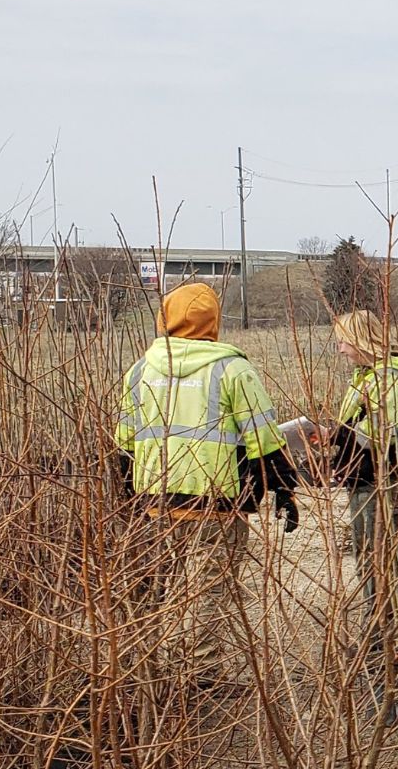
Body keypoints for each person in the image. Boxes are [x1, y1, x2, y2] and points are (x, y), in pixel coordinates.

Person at [114, 282, 298, 677]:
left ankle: (158, 677)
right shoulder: (232, 369)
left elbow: (123, 442)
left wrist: (128, 495)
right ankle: (199, 677)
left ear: (166, 318)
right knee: (206, 593)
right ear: (213, 321)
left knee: (167, 589)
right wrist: (284, 488)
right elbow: (263, 438)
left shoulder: (140, 370)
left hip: (156, 503)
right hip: (215, 505)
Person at [329, 310, 398, 631]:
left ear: (361, 340)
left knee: (384, 556)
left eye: (344, 341)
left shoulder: (391, 379)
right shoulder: (366, 377)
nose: (341, 349)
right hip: (367, 478)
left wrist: (341, 436)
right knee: (370, 555)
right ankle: (380, 624)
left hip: (390, 481)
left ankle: (388, 631)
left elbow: (380, 433)